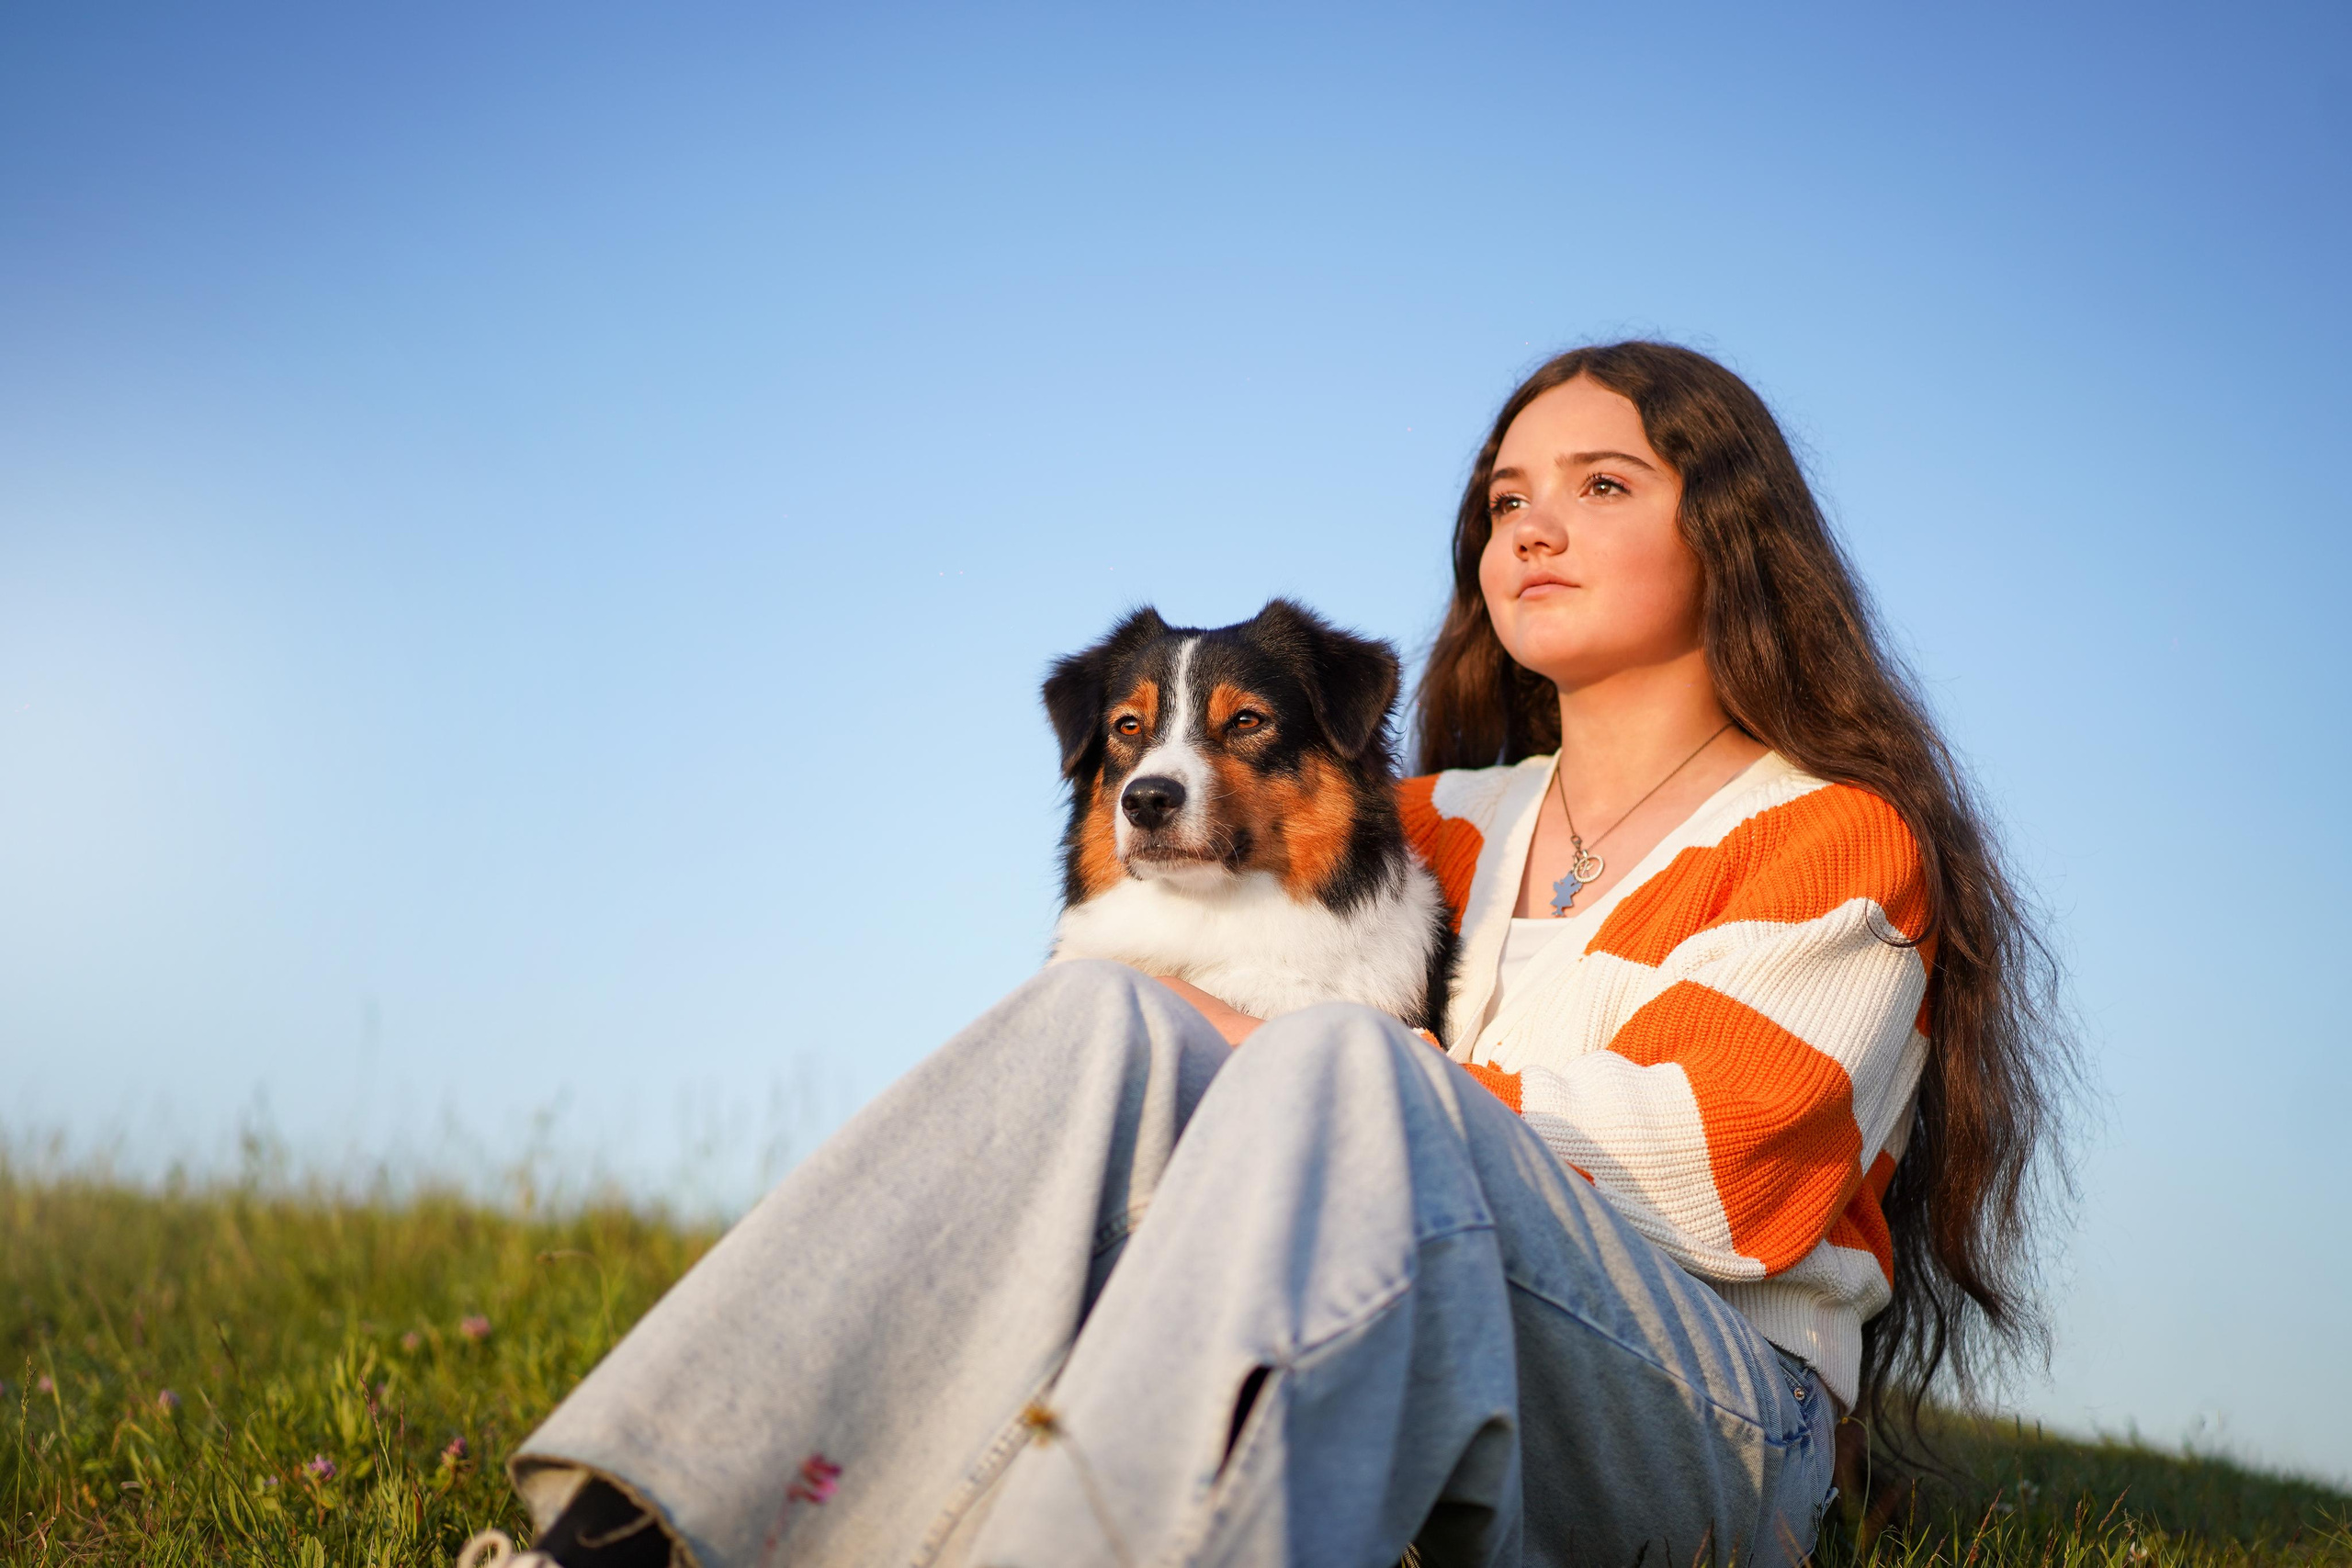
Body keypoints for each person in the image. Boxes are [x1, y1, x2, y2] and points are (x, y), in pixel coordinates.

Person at [460, 342, 2067, 1568]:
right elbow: (1152, 1010)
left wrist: (1361, 1070)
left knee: (1336, 1060)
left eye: (1600, 486)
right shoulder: (1413, 823)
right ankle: (635, 1525)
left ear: (1730, 531)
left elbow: (1731, 1177)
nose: (1532, 530)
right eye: (1506, 500)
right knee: (1097, 1022)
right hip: (1431, 1318)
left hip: (1713, 1421)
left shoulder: (1837, 837)